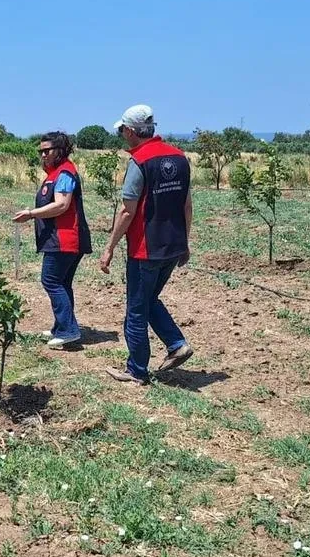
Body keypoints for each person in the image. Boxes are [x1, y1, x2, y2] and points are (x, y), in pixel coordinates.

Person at [98, 104, 194, 384]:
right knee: (149, 300)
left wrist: (109, 247)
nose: (122, 135)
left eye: (122, 131)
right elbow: (186, 205)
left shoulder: (138, 162)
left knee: (137, 309)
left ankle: (136, 370)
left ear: (130, 130)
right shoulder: (179, 158)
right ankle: (177, 345)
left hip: (145, 249)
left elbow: (127, 211)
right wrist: (185, 243)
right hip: (173, 247)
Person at [13, 131, 92, 349]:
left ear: (60, 151)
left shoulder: (64, 173)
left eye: (47, 151)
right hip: (61, 239)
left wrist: (31, 213)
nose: (42, 155)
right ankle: (62, 327)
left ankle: (68, 330)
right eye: (41, 151)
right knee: (62, 283)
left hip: (65, 239)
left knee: (51, 281)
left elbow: (61, 205)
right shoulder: (56, 173)